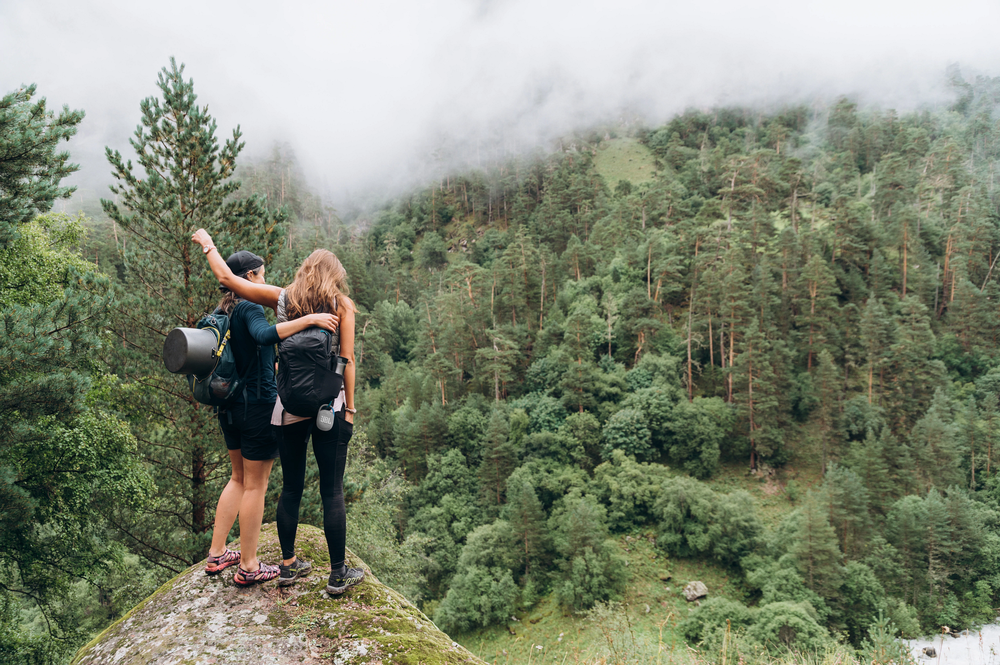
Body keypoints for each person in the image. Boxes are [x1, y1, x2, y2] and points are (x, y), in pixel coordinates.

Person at [192, 229, 364, 595]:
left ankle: (287, 566)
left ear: (304, 272)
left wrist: (209, 246)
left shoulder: (283, 299)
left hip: (287, 407)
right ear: (334, 276)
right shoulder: (342, 306)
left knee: (290, 488)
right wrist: (350, 407)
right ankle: (337, 575)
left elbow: (226, 279)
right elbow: (347, 362)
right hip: (328, 407)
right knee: (332, 491)